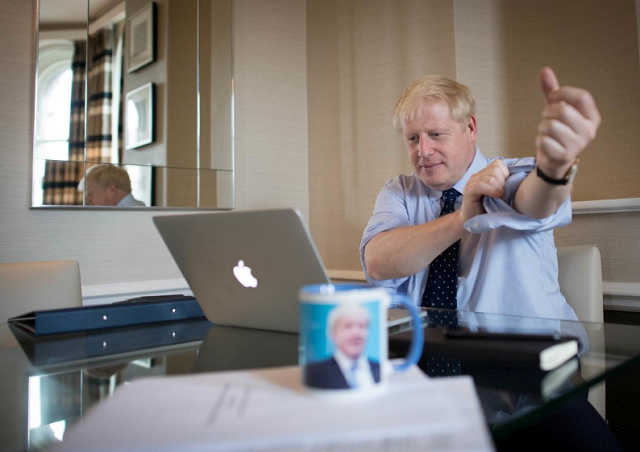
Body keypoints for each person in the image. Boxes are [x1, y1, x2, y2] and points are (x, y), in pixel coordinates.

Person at [360, 67, 601, 321]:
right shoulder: (399, 192)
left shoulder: (506, 175)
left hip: (530, 355)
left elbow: (535, 201)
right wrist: (462, 218)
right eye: (412, 138)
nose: (423, 150)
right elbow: (377, 262)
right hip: (424, 353)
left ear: (471, 128)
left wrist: (553, 170)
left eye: (435, 135)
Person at [304, 304, 380, 389]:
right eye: (348, 326)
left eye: (361, 326)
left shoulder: (379, 368)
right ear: (333, 333)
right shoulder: (315, 372)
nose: (356, 333)